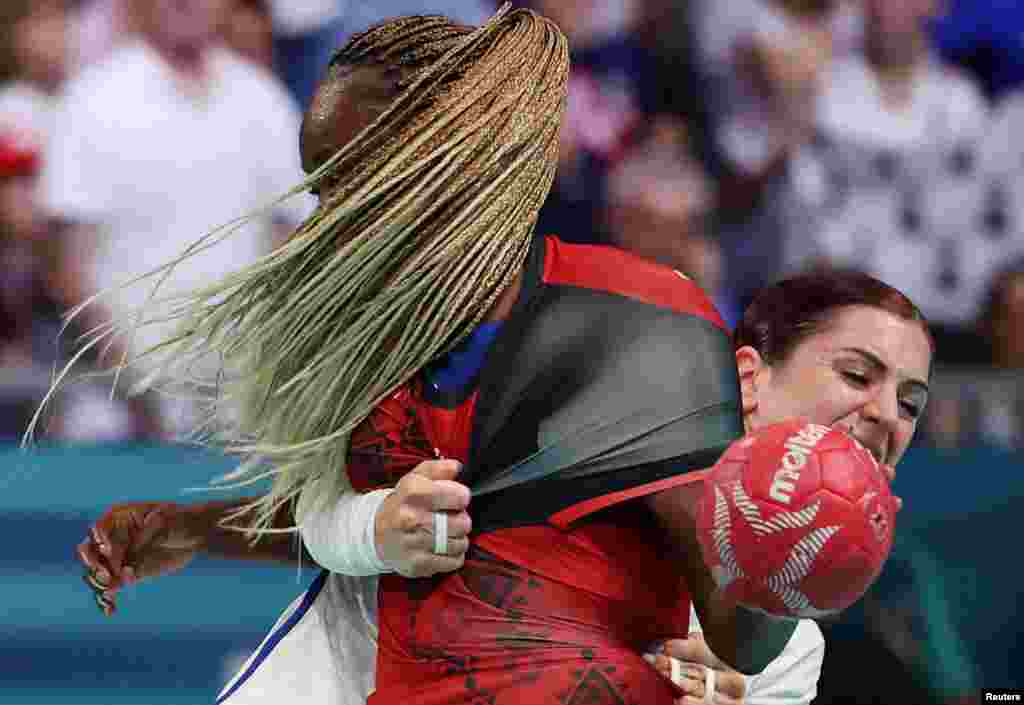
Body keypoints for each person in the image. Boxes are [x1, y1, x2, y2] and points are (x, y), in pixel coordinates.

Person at [67, 8, 927, 705]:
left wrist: (778, 589)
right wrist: (194, 526)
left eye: (361, 180)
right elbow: (366, 519)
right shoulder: (364, 336)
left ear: (459, 167)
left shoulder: (641, 328)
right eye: (324, 187)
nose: (334, 217)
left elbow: (734, 631)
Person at [39, 0, 313, 437]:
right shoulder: (92, 98)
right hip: (122, 401)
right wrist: (131, 381)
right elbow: (66, 264)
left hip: (247, 391)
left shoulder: (262, 98)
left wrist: (269, 366)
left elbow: (293, 240)